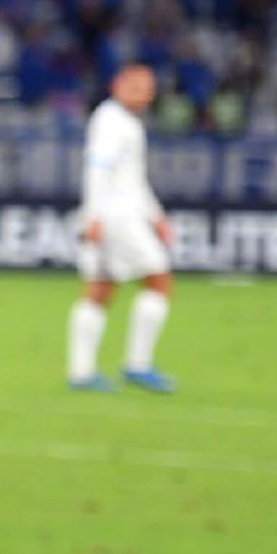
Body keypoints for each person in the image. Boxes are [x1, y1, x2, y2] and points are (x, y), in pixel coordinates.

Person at [67, 63, 176, 393]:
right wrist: (93, 217)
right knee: (159, 278)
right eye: (136, 87)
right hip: (116, 218)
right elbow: (97, 170)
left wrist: (156, 216)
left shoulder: (125, 121)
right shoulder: (112, 121)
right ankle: (136, 365)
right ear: (117, 85)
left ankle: (82, 372)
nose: (143, 94)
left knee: (101, 288)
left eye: (148, 89)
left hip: (118, 215)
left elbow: (133, 179)